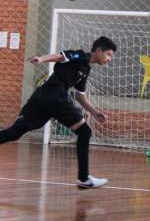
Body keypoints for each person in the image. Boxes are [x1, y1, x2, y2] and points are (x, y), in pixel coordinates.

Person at [0, 36, 117, 189]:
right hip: (55, 96)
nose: (109, 59)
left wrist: (94, 112)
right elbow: (61, 56)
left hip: (41, 97)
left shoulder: (85, 69)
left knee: (15, 132)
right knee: (84, 132)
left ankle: (84, 178)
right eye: (108, 54)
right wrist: (41, 59)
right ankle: (84, 179)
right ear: (99, 51)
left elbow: (79, 95)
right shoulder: (80, 55)